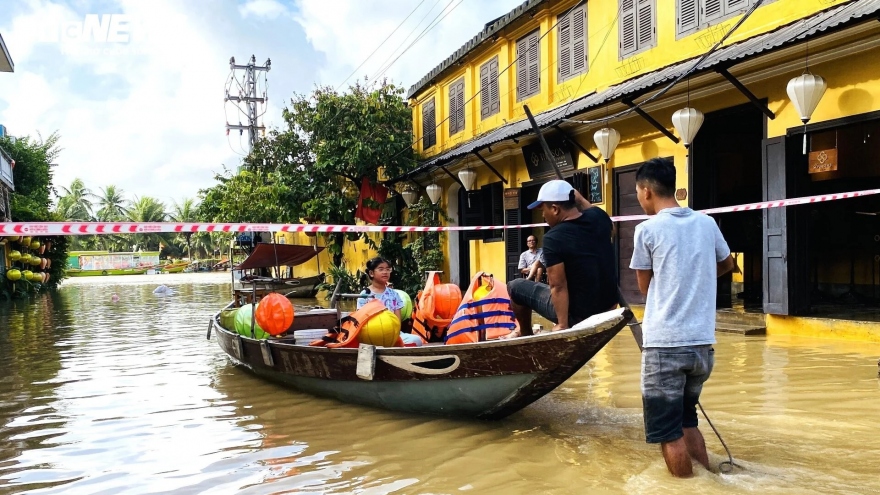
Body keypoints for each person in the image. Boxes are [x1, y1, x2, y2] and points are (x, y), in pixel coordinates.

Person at [629, 157, 734, 478]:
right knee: (688, 420)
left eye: (637, 192)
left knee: (668, 433)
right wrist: (696, 276)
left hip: (665, 348)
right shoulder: (707, 223)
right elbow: (727, 264)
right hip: (702, 347)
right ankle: (710, 481)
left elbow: (645, 287)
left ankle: (688, 487)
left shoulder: (646, 230)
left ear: (646, 191)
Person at [507, 180, 618, 336]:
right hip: (609, 307)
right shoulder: (598, 218)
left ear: (555, 209)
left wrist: (562, 325)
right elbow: (612, 228)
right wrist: (580, 199)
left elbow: (558, 286)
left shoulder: (554, 237)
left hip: (580, 314)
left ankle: (525, 335)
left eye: (543, 209)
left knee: (515, 286)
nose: (543, 215)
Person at [358, 256, 422, 346]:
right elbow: (361, 320)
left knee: (417, 340)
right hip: (372, 333)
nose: (385, 272)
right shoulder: (365, 294)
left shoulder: (394, 294)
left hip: (392, 334)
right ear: (371, 273)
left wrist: (393, 335)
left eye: (388, 269)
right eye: (381, 269)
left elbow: (397, 321)